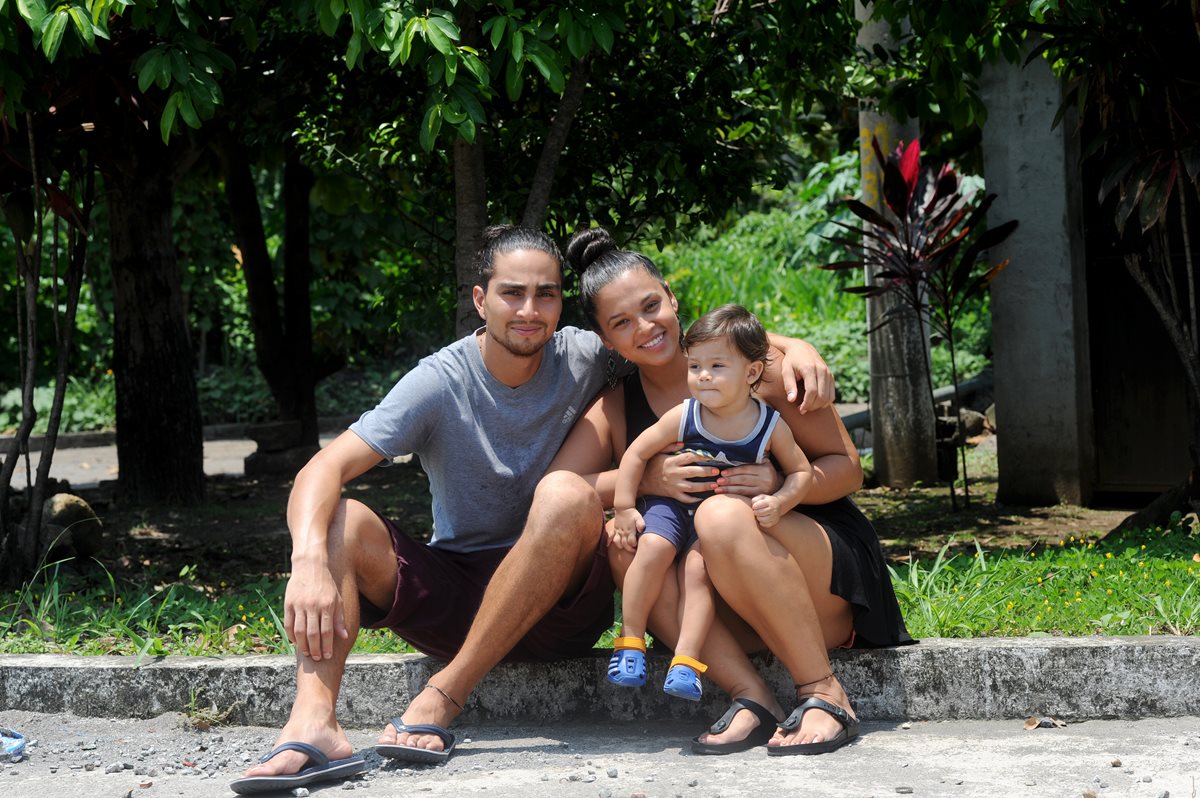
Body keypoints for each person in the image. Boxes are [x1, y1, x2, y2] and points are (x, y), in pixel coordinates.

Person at [232, 225, 836, 793]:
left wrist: (790, 345)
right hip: (461, 587)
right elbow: (322, 469)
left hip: (560, 599)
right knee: (339, 521)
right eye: (512, 293)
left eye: (546, 294)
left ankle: (444, 696)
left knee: (566, 493)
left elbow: (687, 339)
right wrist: (307, 563)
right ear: (480, 300)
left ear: (561, 307)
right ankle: (314, 723)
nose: (529, 310)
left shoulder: (585, 353)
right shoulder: (439, 380)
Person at [550, 227, 913, 757]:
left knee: (719, 516)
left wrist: (781, 484)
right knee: (625, 543)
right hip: (724, 608)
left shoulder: (761, 370)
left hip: (819, 581)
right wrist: (647, 479)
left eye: (651, 306)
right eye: (621, 322)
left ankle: (823, 690)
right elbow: (560, 486)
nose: (645, 327)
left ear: (672, 298)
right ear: (605, 339)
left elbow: (848, 468)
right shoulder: (617, 406)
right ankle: (751, 696)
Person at [607, 304, 813, 703]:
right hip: (671, 508)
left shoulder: (769, 426)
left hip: (714, 526)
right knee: (651, 548)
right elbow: (635, 453)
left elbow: (801, 472)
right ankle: (630, 641)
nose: (702, 376)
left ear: (751, 373)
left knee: (697, 574)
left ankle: (686, 662)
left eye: (717, 366)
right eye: (695, 366)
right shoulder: (685, 415)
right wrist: (624, 507)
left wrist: (780, 500)